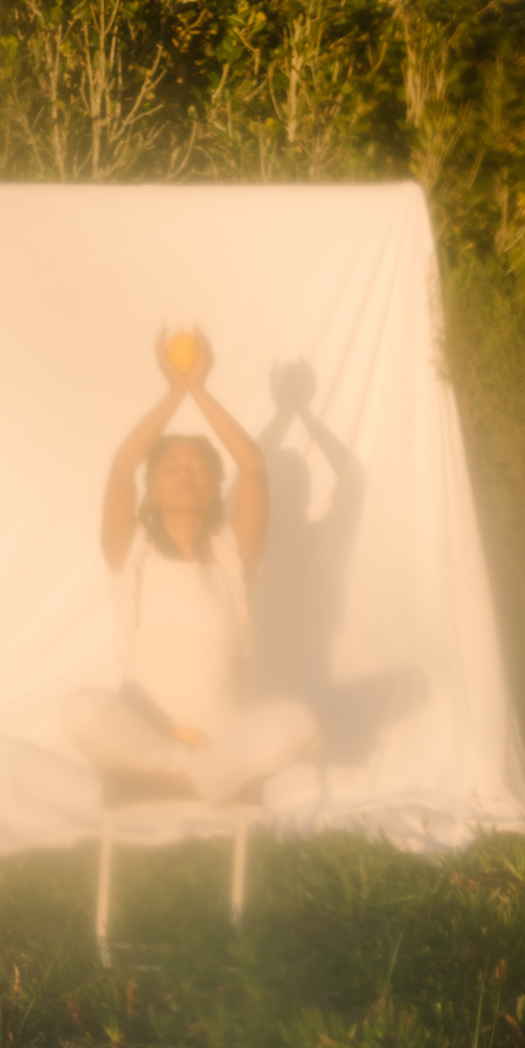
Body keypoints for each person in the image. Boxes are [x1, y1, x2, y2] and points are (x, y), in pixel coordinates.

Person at [62, 329, 321, 804]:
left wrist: (200, 389)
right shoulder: (130, 552)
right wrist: (174, 392)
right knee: (80, 710)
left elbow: (253, 468)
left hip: (224, 736)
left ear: (213, 485)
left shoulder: (233, 554)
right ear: (153, 489)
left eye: (199, 466)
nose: (185, 472)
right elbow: (122, 468)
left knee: (299, 721)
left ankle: (195, 769)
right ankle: (186, 769)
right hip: (144, 732)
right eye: (171, 466)